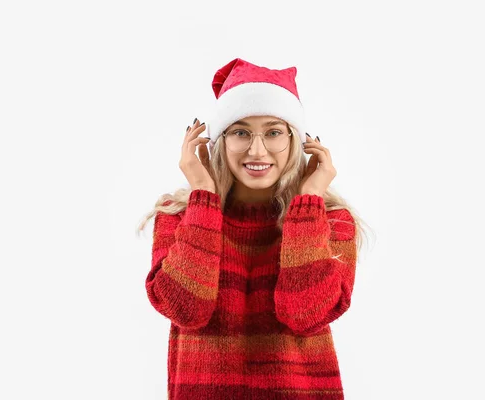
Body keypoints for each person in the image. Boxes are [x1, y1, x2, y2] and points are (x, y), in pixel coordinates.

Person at [137, 58, 372, 400]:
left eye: (274, 132)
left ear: (296, 140)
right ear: (218, 140)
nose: (257, 149)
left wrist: (307, 204)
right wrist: (203, 198)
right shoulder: (179, 216)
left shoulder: (331, 220)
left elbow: (305, 314)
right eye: (241, 132)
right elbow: (186, 308)